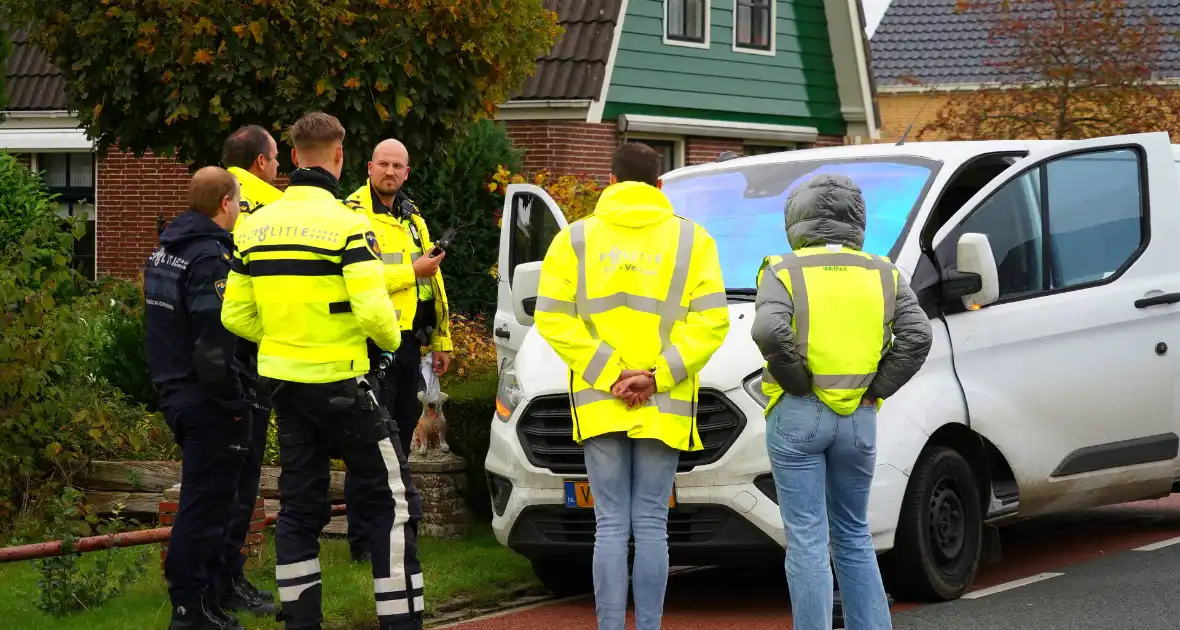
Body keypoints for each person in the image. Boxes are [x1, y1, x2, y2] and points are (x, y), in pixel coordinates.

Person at [221, 112, 424, 630]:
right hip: (347, 384)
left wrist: (286, 337)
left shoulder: (254, 225)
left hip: (286, 388)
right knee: (393, 506)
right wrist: (388, 346)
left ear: (292, 157)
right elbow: (377, 314)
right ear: (340, 158)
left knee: (298, 509)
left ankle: (302, 622)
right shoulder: (350, 224)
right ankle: (400, 623)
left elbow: (235, 316)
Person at [532, 142, 730, 630]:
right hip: (664, 402)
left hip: (601, 401)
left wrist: (609, 373)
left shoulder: (574, 239)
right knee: (652, 527)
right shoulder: (693, 241)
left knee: (610, 527)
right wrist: (655, 376)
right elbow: (711, 324)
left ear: (612, 182)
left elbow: (553, 320)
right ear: (659, 184)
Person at [750, 173, 933, 630]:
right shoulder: (884, 271)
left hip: (798, 415)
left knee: (807, 539)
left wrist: (794, 381)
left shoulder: (782, 269)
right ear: (857, 219)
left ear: (796, 217)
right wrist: (877, 389)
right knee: (854, 533)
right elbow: (918, 335)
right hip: (859, 418)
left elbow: (769, 331)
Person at [144, 166, 256, 629]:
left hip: (175, 392)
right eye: (240, 202)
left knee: (205, 502)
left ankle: (204, 600)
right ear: (225, 203)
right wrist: (234, 401)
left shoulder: (164, 252)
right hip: (207, 400)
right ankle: (190, 609)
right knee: (205, 507)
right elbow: (213, 344)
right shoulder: (210, 259)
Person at [342, 138, 452, 562]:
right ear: (369, 167)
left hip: (410, 343)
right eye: (383, 164)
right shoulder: (351, 214)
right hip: (370, 341)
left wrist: (441, 339)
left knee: (401, 438)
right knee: (369, 442)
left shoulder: (413, 218)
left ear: (407, 172)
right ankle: (362, 545)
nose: (390, 171)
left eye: (398, 166)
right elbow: (355, 277)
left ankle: (392, 536)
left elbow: (434, 283)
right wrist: (412, 269)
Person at [214, 124, 286, 615]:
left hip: (210, 353)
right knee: (243, 471)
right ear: (260, 162)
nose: (279, 168)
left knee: (219, 474)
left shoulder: (209, 200)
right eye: (277, 159)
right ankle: (228, 581)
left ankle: (219, 578)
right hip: (254, 350)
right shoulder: (276, 209)